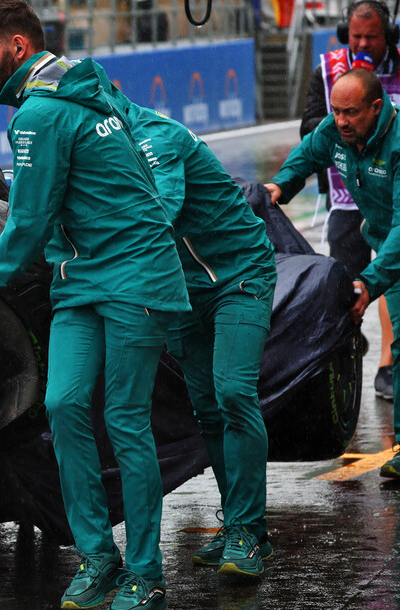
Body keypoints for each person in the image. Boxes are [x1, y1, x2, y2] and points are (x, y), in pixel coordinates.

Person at [0, 0, 189, 610]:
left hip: (134, 276)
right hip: (81, 278)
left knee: (124, 418)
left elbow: (26, 225)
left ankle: (144, 570)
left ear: (19, 48)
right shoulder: (82, 86)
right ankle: (96, 558)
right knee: (64, 404)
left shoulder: (41, 115)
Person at [101, 71, 278, 578]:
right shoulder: (104, 146)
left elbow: (163, 212)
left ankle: (249, 530)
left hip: (240, 272)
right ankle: (239, 523)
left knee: (234, 393)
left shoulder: (156, 136)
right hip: (183, 288)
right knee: (207, 409)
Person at [267, 68, 400, 482]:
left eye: (351, 113)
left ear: (377, 108)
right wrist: (279, 187)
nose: (341, 121)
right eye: (336, 111)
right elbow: (309, 152)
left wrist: (370, 281)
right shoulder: (336, 130)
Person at [302, 0, 400, 401]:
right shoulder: (327, 72)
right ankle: (342, 362)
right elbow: (311, 129)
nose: (362, 45)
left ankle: (388, 366)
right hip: (347, 204)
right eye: (355, 36)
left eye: (371, 37)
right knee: (342, 289)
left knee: (396, 280)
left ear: (389, 36)